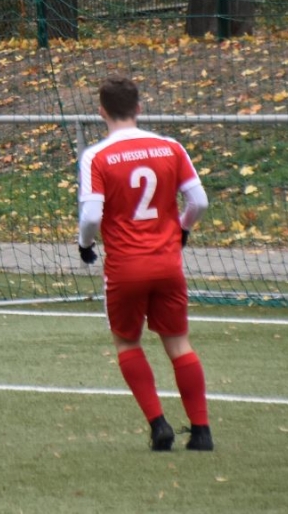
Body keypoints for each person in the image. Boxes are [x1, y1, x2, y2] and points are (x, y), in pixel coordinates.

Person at [77, 75, 213, 452]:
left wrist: (85, 245)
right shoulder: (171, 147)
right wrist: (183, 229)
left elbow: (91, 216)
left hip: (125, 267)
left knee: (126, 342)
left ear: (101, 111)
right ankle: (202, 431)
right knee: (179, 343)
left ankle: (158, 425)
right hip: (168, 264)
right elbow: (199, 201)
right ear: (138, 108)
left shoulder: (96, 156)